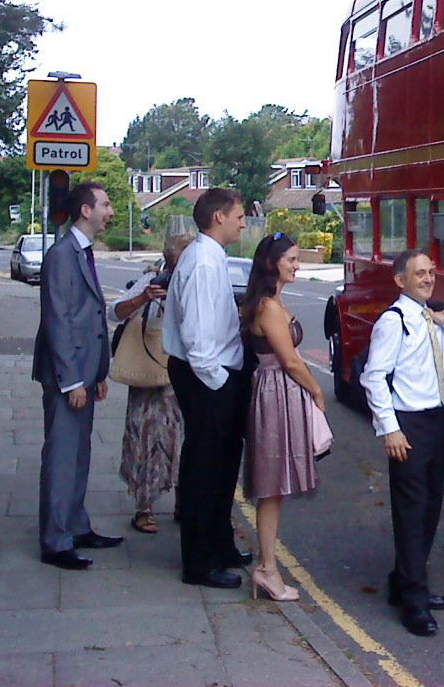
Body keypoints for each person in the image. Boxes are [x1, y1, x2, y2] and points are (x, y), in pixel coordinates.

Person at [362, 249, 444, 637]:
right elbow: (373, 376)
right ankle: (414, 600)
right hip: (408, 422)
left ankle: (406, 581)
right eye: (420, 274)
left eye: (431, 272)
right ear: (400, 280)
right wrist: (390, 429)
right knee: (412, 512)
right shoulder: (394, 322)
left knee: (431, 505)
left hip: (434, 419)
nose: (428, 279)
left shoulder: (435, 318)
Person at [162, 187, 252, 589]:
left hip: (215, 375)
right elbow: (197, 338)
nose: (243, 222)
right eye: (239, 215)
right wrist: (220, 385)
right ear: (219, 217)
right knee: (205, 469)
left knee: (223, 468)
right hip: (206, 377)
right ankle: (199, 563)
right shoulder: (202, 264)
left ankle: (220, 545)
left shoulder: (210, 258)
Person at [32, 181, 122, 569]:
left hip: (86, 372)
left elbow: (91, 319)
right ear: (85, 210)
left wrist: (99, 372)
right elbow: (58, 320)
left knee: (79, 455)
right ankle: (55, 542)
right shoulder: (61, 255)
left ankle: (75, 524)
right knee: (61, 457)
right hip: (65, 376)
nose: (111, 211)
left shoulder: (81, 253)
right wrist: (71, 381)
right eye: (105, 204)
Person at [241, 233, 326, 602]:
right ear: (272, 263)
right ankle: (266, 568)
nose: (296, 264)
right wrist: (318, 391)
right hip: (275, 392)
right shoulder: (269, 307)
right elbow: (290, 360)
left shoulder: (270, 302)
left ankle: (267, 567)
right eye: (291, 259)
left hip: (278, 392)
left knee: (274, 486)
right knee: (272, 485)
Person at [111, 232, 193, 535]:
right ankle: (143, 508)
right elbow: (115, 311)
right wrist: (144, 297)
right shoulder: (153, 280)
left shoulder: (196, 283)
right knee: (148, 440)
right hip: (149, 376)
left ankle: (184, 503)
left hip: (184, 377)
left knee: (185, 442)